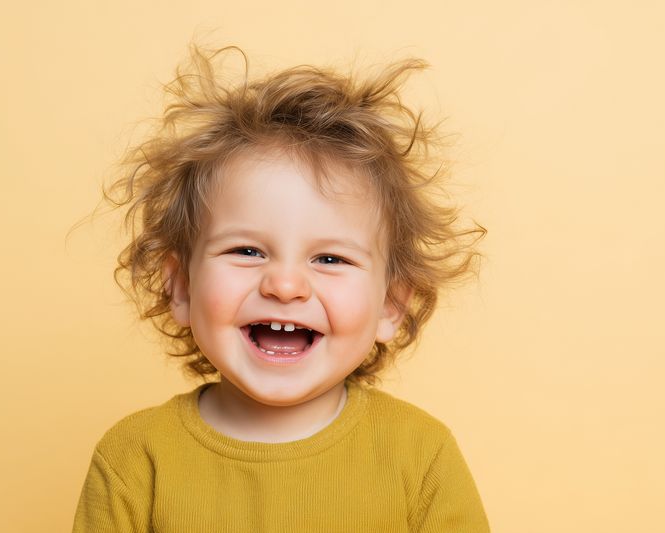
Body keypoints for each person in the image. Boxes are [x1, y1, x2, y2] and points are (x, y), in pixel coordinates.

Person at [72, 45, 490, 532]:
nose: (286, 285)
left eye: (330, 258)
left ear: (391, 305)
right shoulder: (135, 459)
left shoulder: (420, 455)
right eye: (247, 251)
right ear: (181, 287)